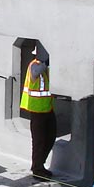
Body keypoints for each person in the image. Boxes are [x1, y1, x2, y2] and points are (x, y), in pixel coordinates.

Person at [20, 48, 56, 178]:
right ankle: (38, 169)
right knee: (39, 141)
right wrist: (46, 62)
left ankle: (38, 163)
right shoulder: (34, 65)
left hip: (47, 108)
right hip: (37, 110)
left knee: (50, 137)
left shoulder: (47, 68)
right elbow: (36, 72)